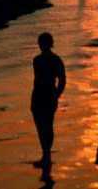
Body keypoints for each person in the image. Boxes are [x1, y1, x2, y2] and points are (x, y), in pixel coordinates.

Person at [31, 32, 66, 168]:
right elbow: (61, 79)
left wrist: (57, 94)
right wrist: (57, 94)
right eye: (40, 43)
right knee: (43, 125)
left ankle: (46, 154)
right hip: (40, 94)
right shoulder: (37, 60)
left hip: (47, 94)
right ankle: (46, 153)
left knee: (45, 125)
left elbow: (62, 79)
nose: (41, 45)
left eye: (43, 43)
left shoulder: (55, 60)